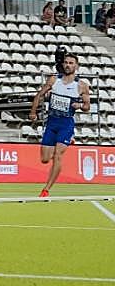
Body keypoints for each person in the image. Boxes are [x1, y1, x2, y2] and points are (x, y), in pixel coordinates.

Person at [29, 52, 89, 197]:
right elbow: (39, 95)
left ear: (76, 66)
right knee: (44, 159)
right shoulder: (54, 80)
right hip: (52, 122)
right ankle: (65, 142)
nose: (68, 65)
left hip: (66, 123)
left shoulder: (81, 85)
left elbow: (87, 106)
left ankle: (46, 189)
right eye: (66, 62)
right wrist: (33, 112)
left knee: (58, 155)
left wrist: (79, 105)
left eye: (71, 63)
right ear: (63, 64)